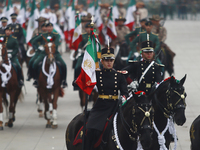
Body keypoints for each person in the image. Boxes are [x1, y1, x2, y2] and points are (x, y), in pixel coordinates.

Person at [74, 47, 128, 150]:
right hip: (101, 106)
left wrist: (124, 98)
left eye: (111, 60)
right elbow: (85, 81)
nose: (109, 62)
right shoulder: (97, 74)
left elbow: (125, 92)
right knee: (90, 129)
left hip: (115, 106)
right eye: (106, 60)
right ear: (102, 61)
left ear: (114, 61)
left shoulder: (119, 76)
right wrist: (81, 81)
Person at [31, 22, 67, 88]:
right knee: (35, 63)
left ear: (52, 28)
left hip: (54, 53)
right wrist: (39, 46)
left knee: (63, 65)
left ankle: (64, 81)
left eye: (51, 27)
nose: (49, 28)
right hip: (44, 53)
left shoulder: (56, 35)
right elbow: (33, 41)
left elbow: (56, 44)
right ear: (46, 28)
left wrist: (51, 48)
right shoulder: (43, 35)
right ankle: (36, 79)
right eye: (48, 27)